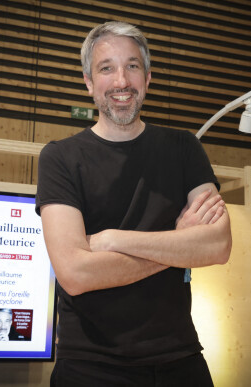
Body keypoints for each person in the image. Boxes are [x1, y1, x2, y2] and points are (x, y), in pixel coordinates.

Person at [36, 21, 232, 386]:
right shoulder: (60, 158)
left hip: (181, 360)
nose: (121, 81)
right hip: (89, 364)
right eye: (106, 68)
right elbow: (76, 275)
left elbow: (218, 245)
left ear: (148, 77)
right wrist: (178, 242)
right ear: (89, 82)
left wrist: (113, 239)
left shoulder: (184, 147)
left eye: (132, 66)